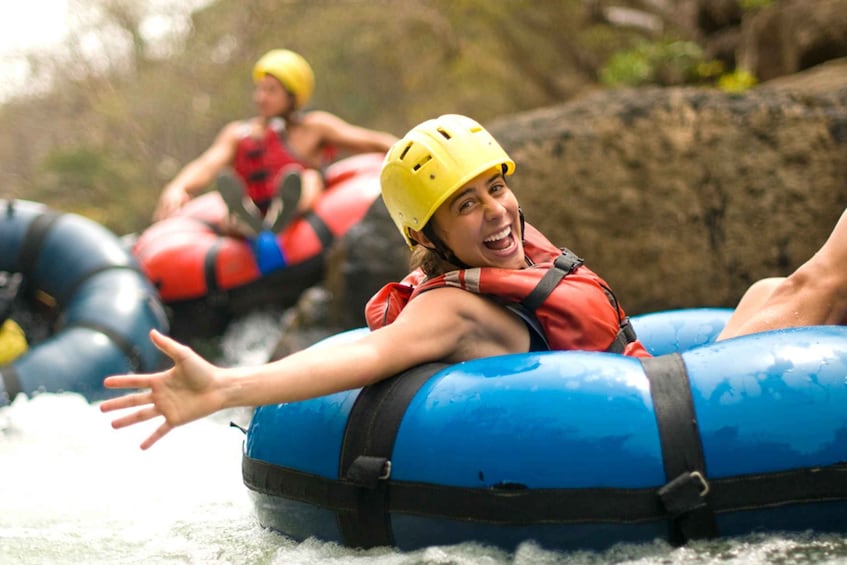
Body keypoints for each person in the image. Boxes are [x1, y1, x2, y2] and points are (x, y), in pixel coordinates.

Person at [101, 114, 847, 450]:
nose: (495, 212)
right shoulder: (454, 306)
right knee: (817, 283)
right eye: (467, 204)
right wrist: (225, 387)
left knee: (763, 290)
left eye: (495, 188)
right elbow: (360, 356)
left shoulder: (508, 252)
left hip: (650, 386)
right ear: (426, 235)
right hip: (636, 434)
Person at [152, 48, 398, 235]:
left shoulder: (315, 127)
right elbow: (207, 164)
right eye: (259, 89)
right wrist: (178, 187)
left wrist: (413, 151)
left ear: (292, 96)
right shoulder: (238, 133)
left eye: (271, 90)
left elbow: (371, 141)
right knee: (226, 210)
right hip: (255, 207)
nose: (261, 97)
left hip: (301, 214)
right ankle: (246, 221)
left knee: (308, 179)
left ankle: (284, 210)